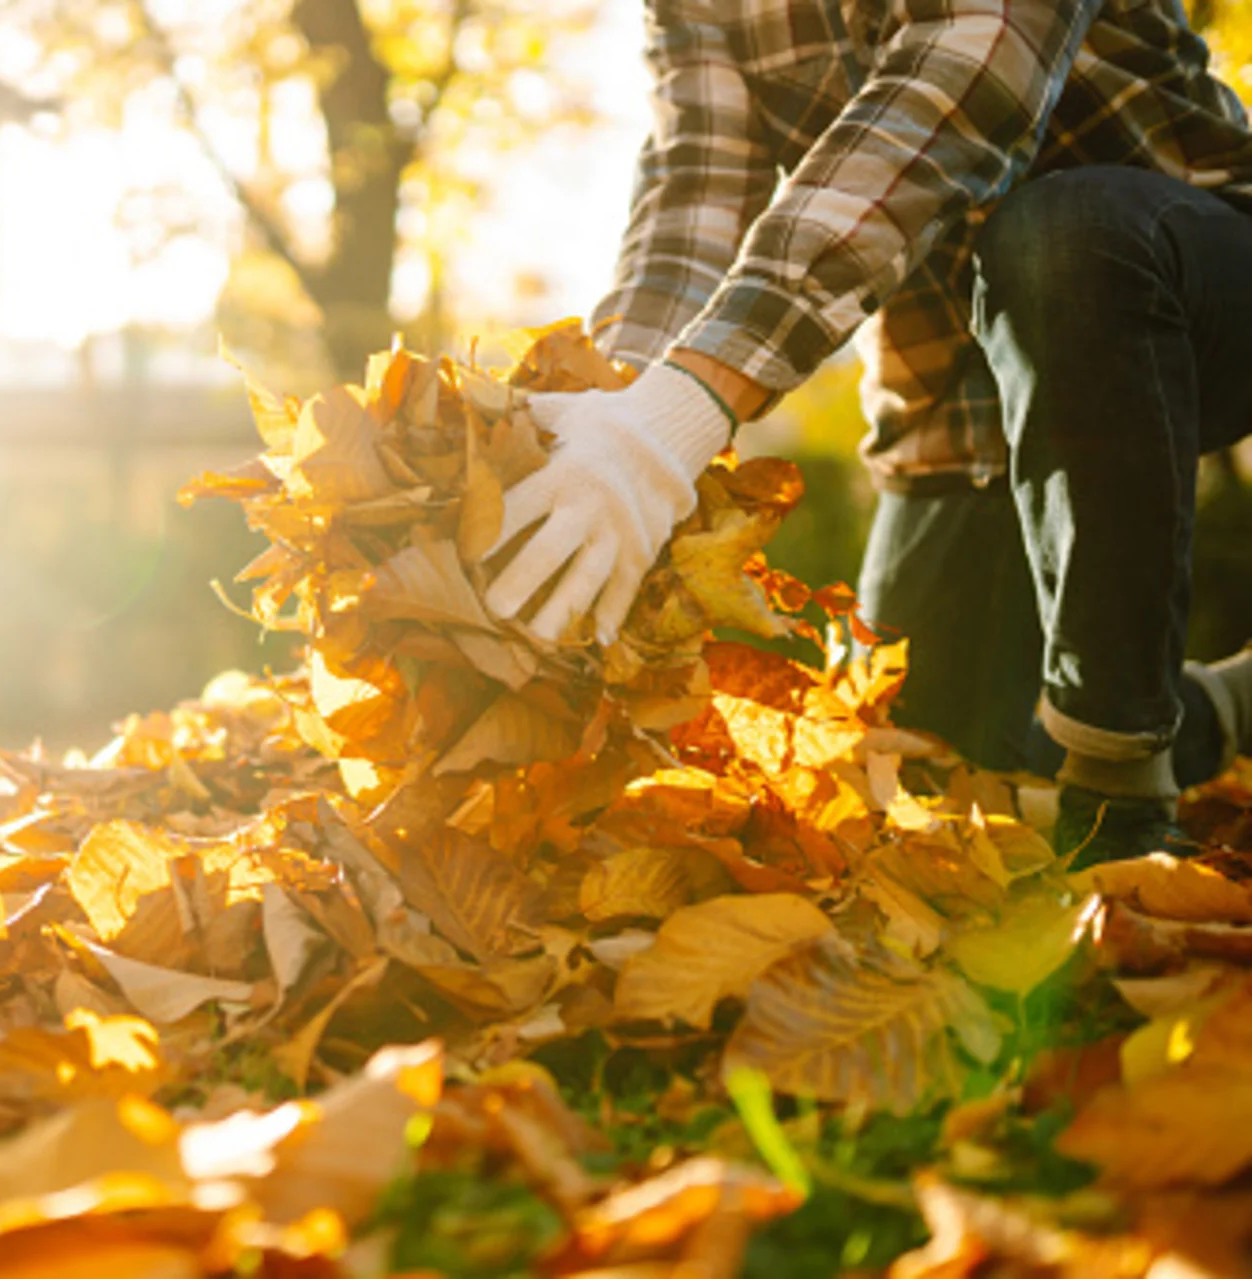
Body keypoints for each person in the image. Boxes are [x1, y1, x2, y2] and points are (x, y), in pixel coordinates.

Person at [487, 0, 1252, 862]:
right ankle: (1222, 709)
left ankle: (1123, 790)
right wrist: (611, 415)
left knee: (1063, 236)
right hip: (959, 412)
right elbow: (693, 195)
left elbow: (959, 87)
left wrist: (690, 405)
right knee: (932, 767)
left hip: (1196, 288)